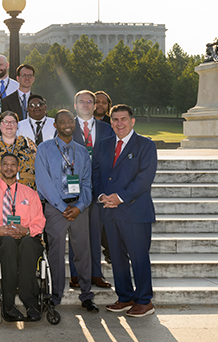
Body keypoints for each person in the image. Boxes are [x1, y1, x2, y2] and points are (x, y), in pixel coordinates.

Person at [94, 105, 157, 317]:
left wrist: (119, 198)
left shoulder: (146, 145)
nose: (118, 123)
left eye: (123, 119)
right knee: (117, 258)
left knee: (138, 257)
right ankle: (125, 297)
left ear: (132, 121)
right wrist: (102, 196)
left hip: (134, 212)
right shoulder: (103, 145)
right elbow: (97, 175)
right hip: (109, 211)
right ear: (110, 122)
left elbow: (144, 179)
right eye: (114, 119)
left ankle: (144, 301)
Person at [34, 111, 98, 313]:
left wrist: (79, 207)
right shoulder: (44, 149)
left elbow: (87, 183)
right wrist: (63, 208)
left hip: (79, 209)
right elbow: (43, 183)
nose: (67, 124)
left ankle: (86, 295)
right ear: (55, 126)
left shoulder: (82, 152)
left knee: (83, 252)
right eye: (63, 122)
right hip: (55, 209)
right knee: (56, 252)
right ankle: (55, 295)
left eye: (71, 121)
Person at [0, 153, 46, 322]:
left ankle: (31, 303)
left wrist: (26, 230)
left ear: (18, 168)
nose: (9, 167)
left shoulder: (30, 193)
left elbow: (39, 221)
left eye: (13, 164)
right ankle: (9, 305)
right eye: (5, 164)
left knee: (27, 243)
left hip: (26, 238)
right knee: (8, 242)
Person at [71, 89, 115, 289]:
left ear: (95, 105)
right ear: (75, 105)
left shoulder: (106, 129)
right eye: (82, 101)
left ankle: (96, 274)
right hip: (74, 188)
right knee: (76, 233)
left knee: (96, 234)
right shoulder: (67, 126)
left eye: (90, 102)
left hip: (100, 189)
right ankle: (75, 274)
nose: (86, 105)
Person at [0, 111, 37, 191]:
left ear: (17, 125)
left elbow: (40, 168)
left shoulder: (28, 143)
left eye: (12, 122)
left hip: (26, 195)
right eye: (5, 122)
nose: (9, 124)